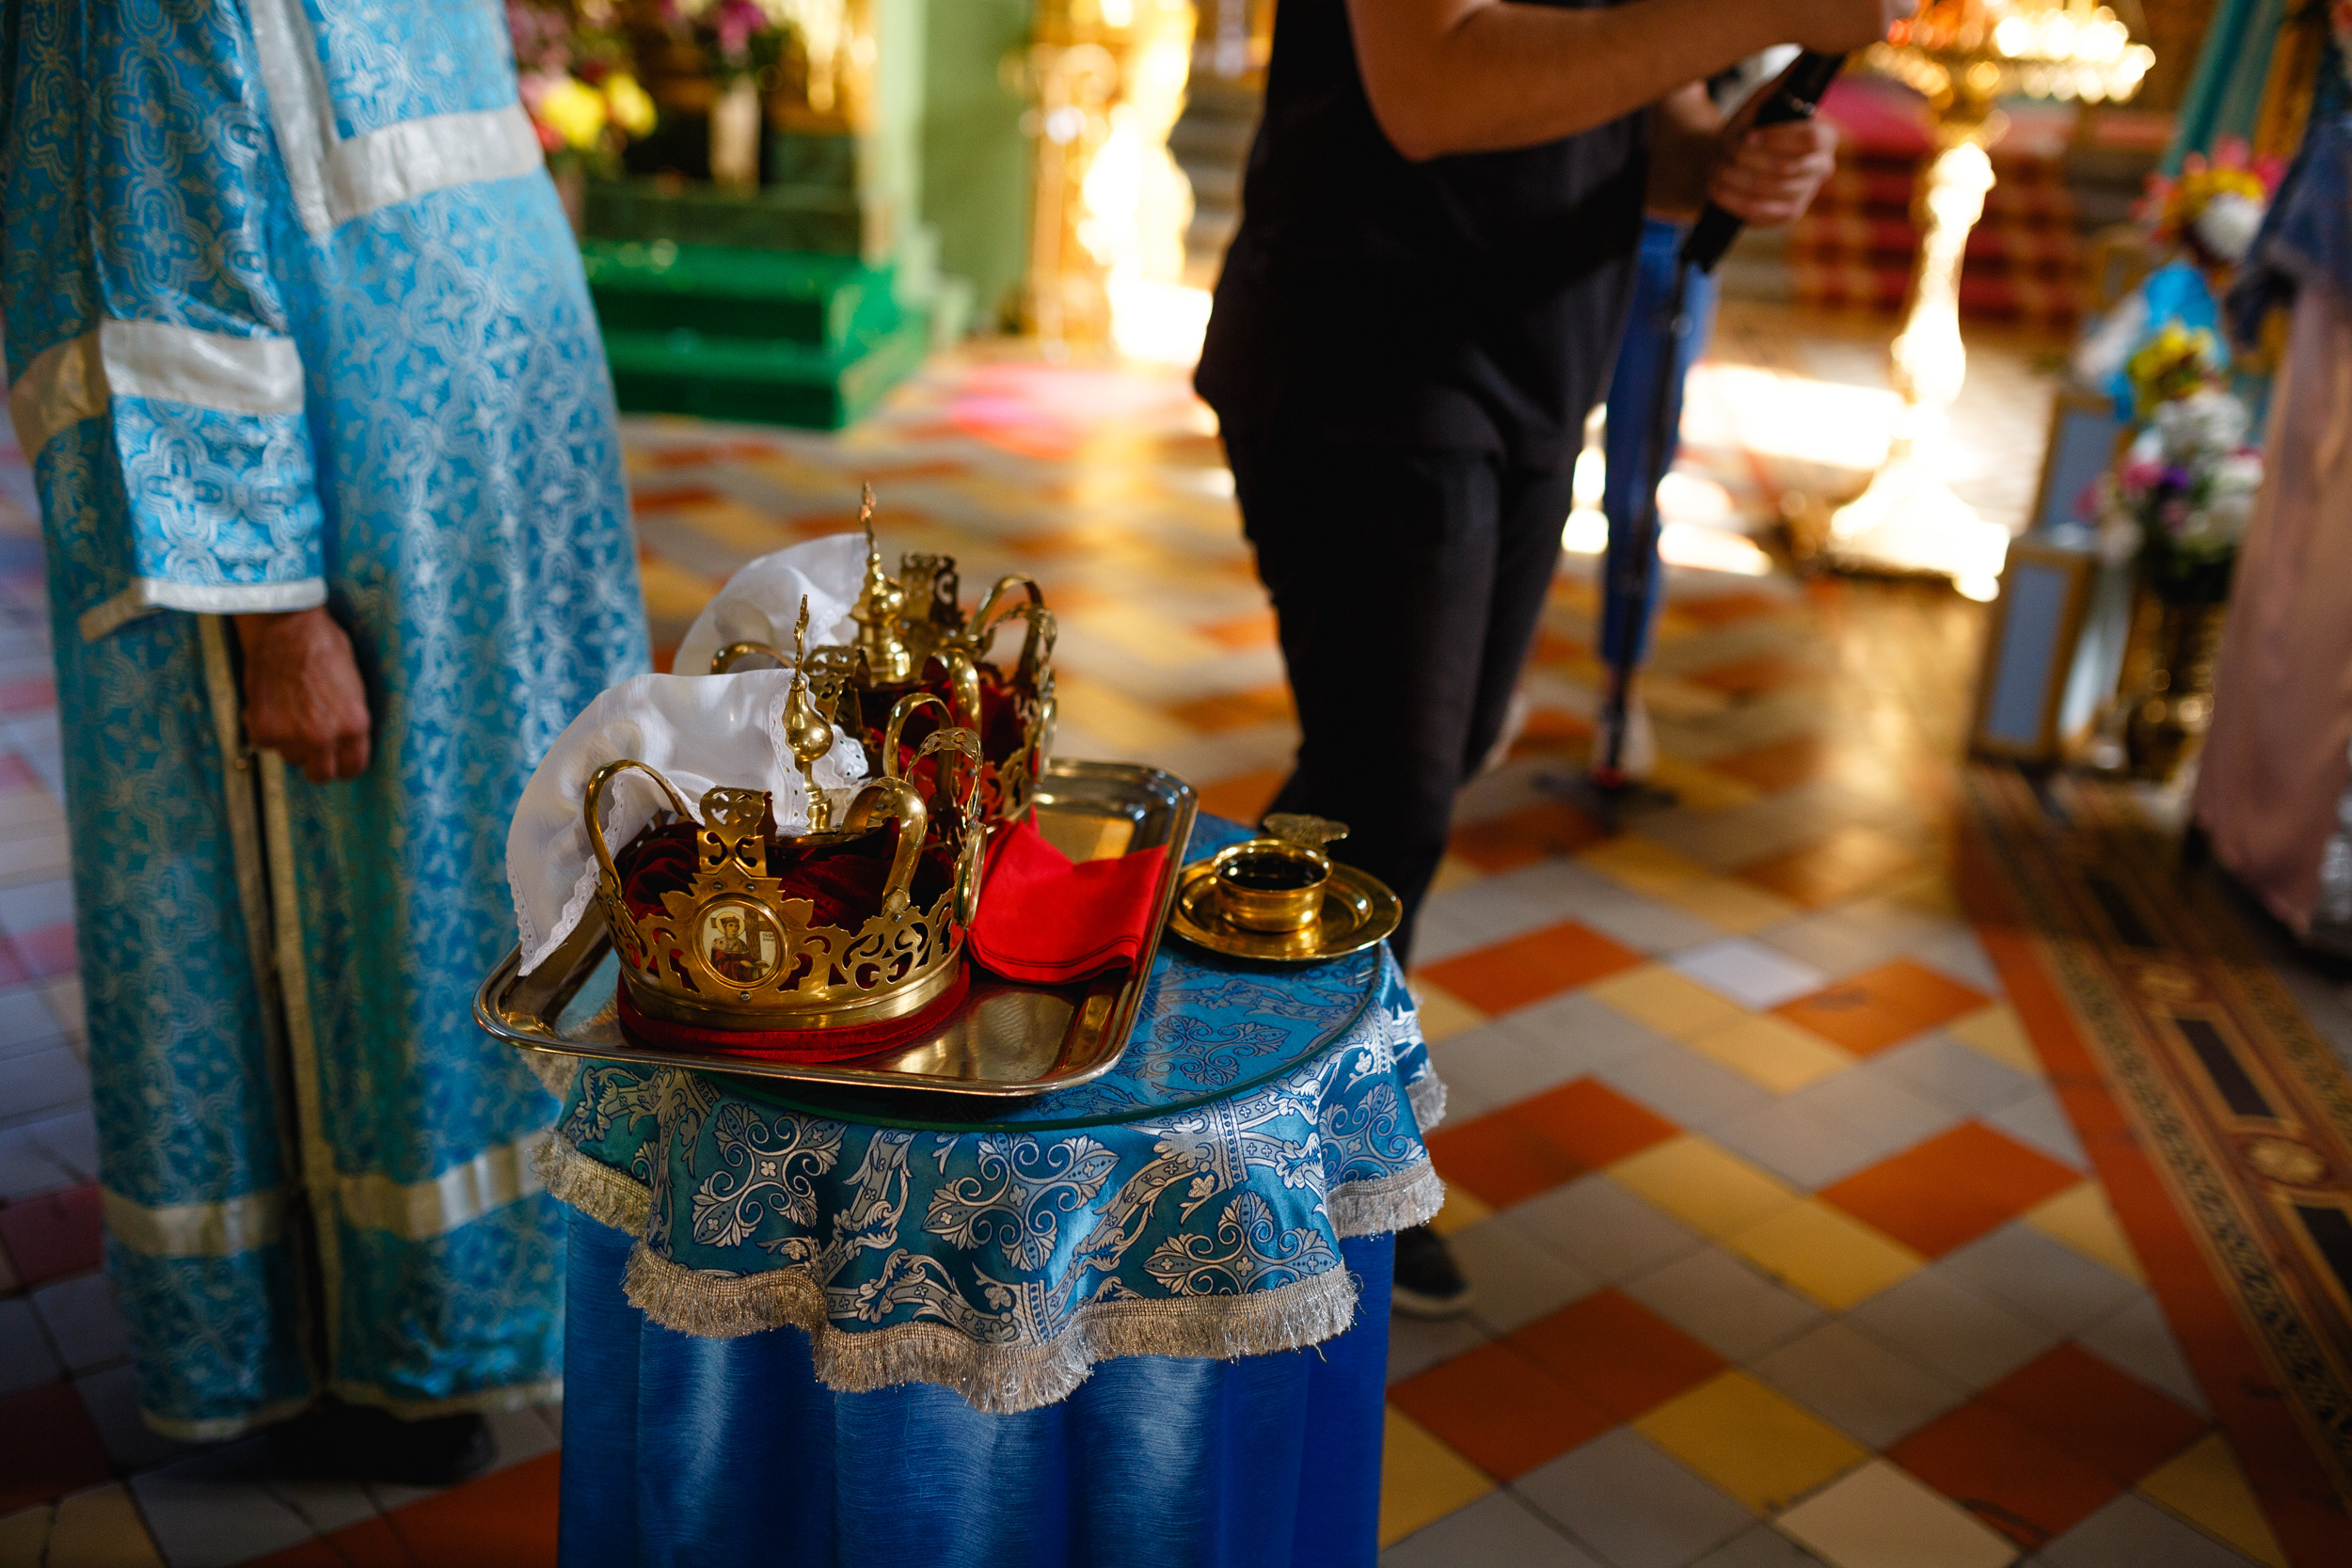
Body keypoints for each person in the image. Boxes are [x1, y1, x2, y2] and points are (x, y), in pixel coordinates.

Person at [1, 0, 646, 1476]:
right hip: (345, 568)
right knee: (365, 934)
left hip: (484, 539)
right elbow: (153, 247)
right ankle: (365, 1343)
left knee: (507, 906)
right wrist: (277, 619)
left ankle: (488, 1300)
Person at [1195, 0, 1905, 1316]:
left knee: (1430, 760)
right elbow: (1435, 92)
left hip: (1530, 367)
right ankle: (1276, 1162)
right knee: (1389, 788)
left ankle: (1240, 1100)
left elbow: (1648, 122)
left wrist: (1724, 159)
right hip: (1367, 346)